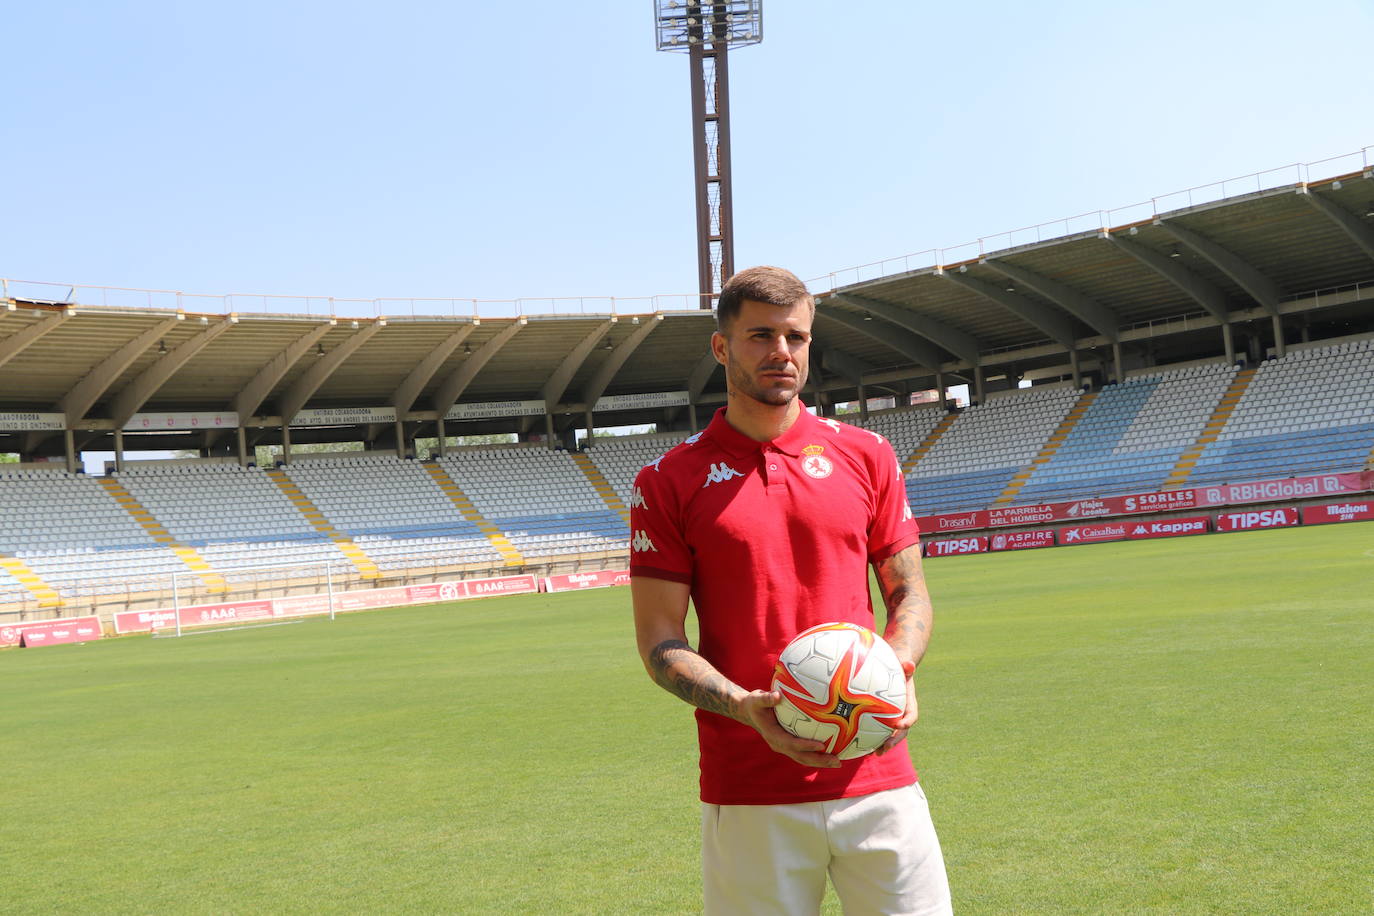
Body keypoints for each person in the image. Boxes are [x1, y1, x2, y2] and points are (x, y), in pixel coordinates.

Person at [630, 265, 952, 914]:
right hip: (749, 790)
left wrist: (900, 669)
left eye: (796, 337)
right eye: (760, 336)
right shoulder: (667, 479)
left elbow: (910, 594)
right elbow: (660, 641)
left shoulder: (868, 455)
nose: (781, 352)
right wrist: (744, 705)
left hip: (878, 774)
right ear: (722, 348)